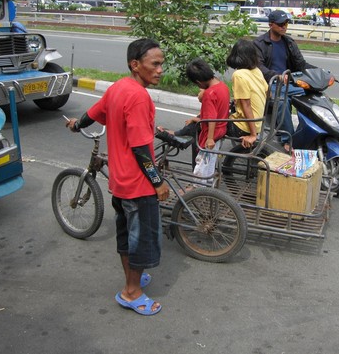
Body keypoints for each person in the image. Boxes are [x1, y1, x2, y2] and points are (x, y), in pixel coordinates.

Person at [65, 38, 169, 316]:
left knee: (126, 235)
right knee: (142, 240)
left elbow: (92, 114)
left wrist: (76, 125)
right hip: (139, 185)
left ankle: (133, 281)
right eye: (155, 64)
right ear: (136, 65)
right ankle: (132, 292)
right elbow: (139, 148)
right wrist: (157, 183)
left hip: (120, 184)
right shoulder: (137, 96)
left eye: (162, 64)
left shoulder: (118, 88)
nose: (160, 70)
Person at [157, 58, 230, 184]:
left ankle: (197, 191)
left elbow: (211, 118)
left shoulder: (209, 94)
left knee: (201, 167)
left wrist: (210, 138)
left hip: (211, 133)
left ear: (198, 82)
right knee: (210, 164)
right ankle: (206, 188)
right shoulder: (222, 86)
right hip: (221, 130)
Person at [253, 9, 317, 149]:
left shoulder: (289, 42)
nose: (284, 26)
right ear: (271, 24)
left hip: (289, 83)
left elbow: (301, 64)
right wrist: (277, 76)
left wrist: (319, 72)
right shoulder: (260, 43)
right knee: (282, 101)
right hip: (270, 85)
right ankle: (287, 139)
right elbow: (259, 67)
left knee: (313, 95)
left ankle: (308, 133)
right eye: (281, 24)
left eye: (286, 23)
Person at [226, 38, 268, 149]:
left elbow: (247, 105)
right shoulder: (257, 71)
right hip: (258, 124)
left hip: (243, 127)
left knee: (204, 122)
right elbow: (268, 93)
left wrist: (253, 135)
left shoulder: (239, 75)